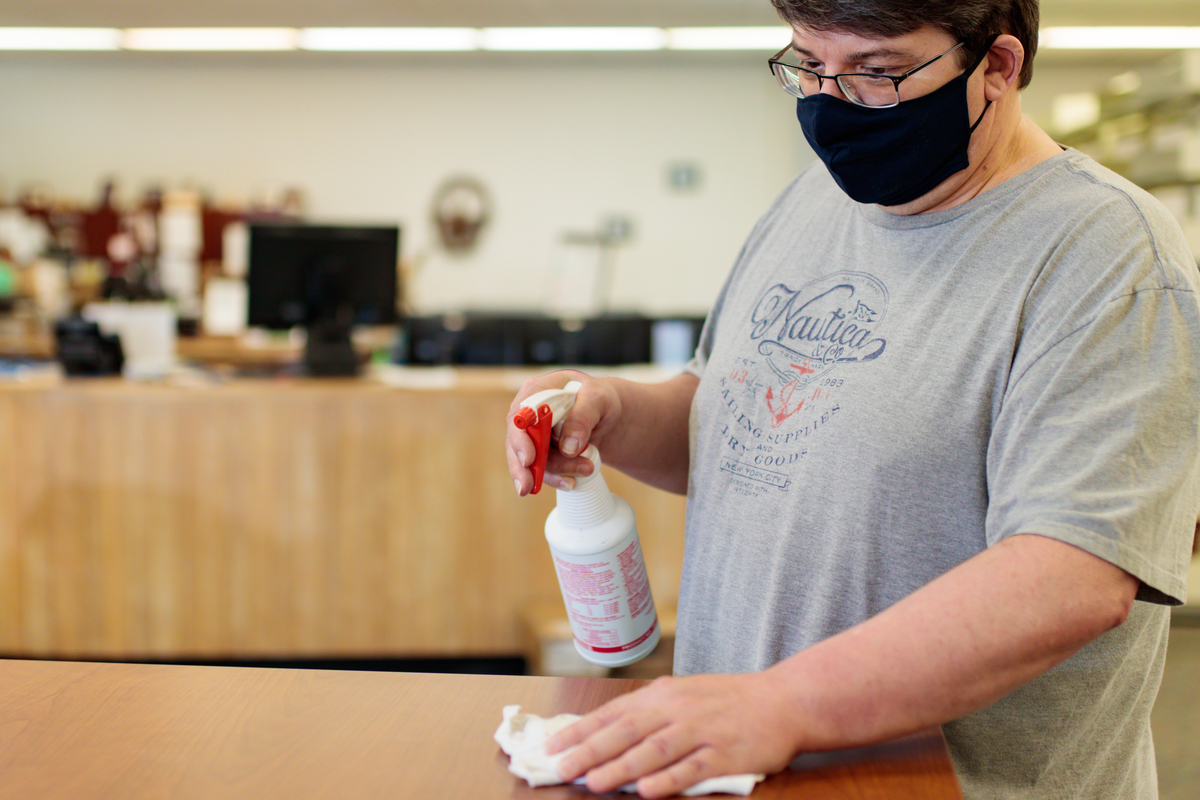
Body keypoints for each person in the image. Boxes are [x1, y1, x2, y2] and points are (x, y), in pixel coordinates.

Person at [504, 2, 1200, 798]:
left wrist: (782, 704)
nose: (831, 106)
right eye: (808, 64)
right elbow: (728, 426)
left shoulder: (1106, 254)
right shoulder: (813, 202)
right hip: (739, 767)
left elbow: (1072, 578)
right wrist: (616, 414)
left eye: (876, 73)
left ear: (998, 68)